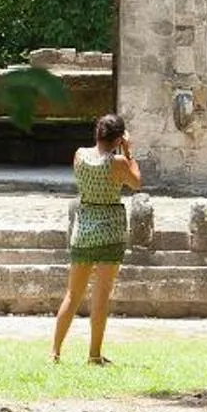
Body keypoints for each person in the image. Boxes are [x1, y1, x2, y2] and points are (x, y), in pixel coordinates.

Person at [55, 114, 140, 366]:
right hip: (110, 231)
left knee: (72, 295)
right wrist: (129, 152)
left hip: (84, 229)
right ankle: (94, 355)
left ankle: (54, 352)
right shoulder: (119, 163)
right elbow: (137, 183)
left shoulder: (80, 155)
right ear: (118, 138)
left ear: (97, 134)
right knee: (101, 296)